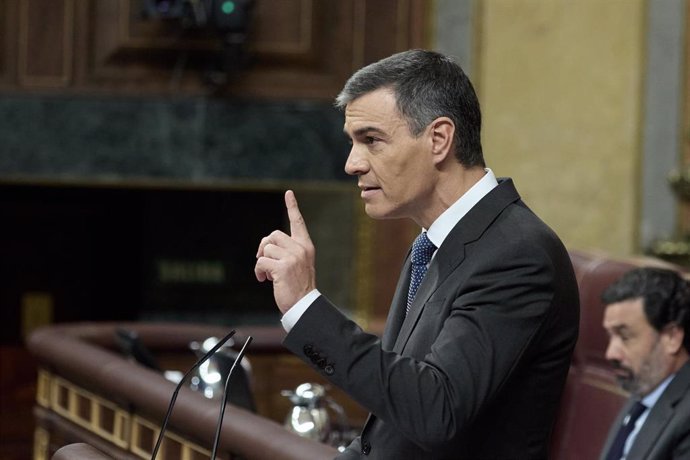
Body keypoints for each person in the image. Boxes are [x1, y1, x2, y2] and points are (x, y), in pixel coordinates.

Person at [255, 49, 579, 459]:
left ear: (439, 139)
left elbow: (434, 411)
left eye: (371, 140)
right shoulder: (434, 243)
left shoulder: (518, 255)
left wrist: (305, 306)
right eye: (353, 142)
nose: (352, 163)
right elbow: (396, 426)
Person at [600, 267, 690, 460]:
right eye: (610, 336)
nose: (610, 353)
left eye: (625, 336)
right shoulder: (645, 388)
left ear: (672, 338)